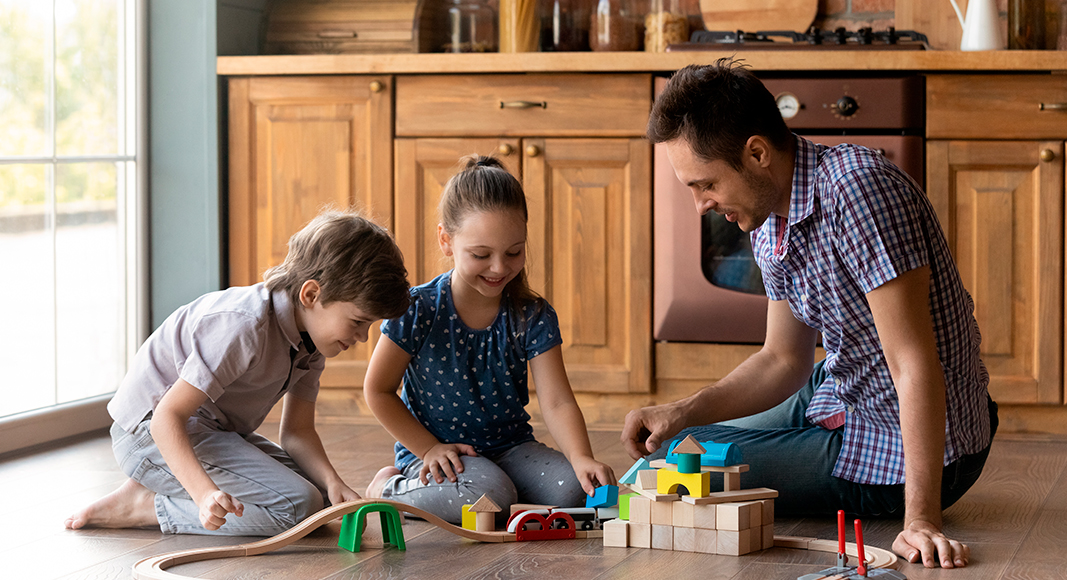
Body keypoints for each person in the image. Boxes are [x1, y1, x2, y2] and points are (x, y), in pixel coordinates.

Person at [622, 60, 996, 569]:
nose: (700, 205)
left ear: (757, 153)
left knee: (680, 461)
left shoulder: (858, 192)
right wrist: (681, 410)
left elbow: (912, 363)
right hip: (844, 386)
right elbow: (782, 360)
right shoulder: (767, 216)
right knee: (680, 437)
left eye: (705, 184)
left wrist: (922, 521)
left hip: (910, 442)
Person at [64, 209, 411, 535]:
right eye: (358, 322)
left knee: (319, 499)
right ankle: (146, 506)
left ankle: (152, 489)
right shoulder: (243, 326)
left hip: (208, 432)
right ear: (311, 294)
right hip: (148, 435)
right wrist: (203, 494)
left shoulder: (312, 341)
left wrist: (333, 482)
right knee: (297, 506)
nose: (362, 337)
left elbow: (298, 432)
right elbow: (166, 417)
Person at [363, 155, 616, 525]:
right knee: (489, 496)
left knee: (575, 492)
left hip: (510, 450)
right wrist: (428, 449)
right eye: (481, 255)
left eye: (514, 252)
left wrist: (581, 458)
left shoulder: (532, 315)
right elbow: (377, 390)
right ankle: (387, 489)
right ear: (446, 241)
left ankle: (501, 488)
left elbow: (557, 401)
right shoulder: (418, 309)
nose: (499, 268)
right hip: (438, 455)